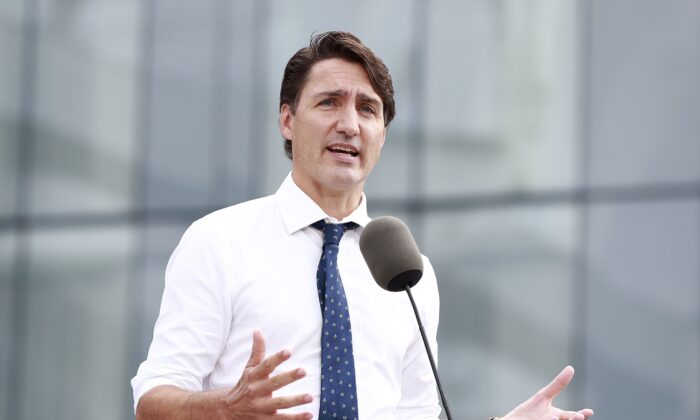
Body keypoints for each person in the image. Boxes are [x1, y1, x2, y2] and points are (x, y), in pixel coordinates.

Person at [131, 31, 594, 420]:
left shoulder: (410, 273)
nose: (349, 124)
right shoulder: (220, 242)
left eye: (367, 109)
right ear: (287, 120)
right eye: (329, 103)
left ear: (382, 135)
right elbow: (152, 401)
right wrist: (226, 408)